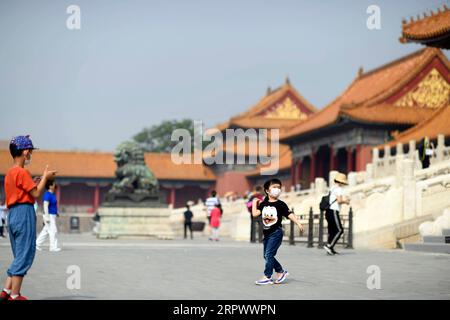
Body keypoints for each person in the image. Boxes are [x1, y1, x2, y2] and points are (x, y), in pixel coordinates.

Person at [0, 135, 57, 301]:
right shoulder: (22, 171)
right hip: (24, 213)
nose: (31, 154)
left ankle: (5, 290)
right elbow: (37, 193)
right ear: (25, 152)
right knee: (25, 255)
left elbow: (22, 189)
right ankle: (15, 295)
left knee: (19, 255)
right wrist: (45, 177)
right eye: (30, 151)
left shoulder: (10, 173)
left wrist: (33, 182)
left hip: (13, 215)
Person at [252, 178, 304, 285]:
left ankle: (267, 276)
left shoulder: (281, 204)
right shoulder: (264, 203)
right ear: (267, 190)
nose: (277, 190)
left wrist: (298, 223)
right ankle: (281, 272)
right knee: (267, 255)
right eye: (274, 187)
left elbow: (289, 214)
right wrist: (254, 203)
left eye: (279, 188)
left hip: (276, 233)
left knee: (269, 254)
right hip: (267, 234)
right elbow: (255, 214)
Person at [323, 172, 350, 256]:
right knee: (339, 230)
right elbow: (339, 201)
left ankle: (330, 249)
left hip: (328, 211)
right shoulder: (339, 189)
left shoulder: (332, 188)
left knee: (332, 230)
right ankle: (329, 245)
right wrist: (346, 201)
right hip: (333, 211)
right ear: (342, 182)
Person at [36, 179, 61, 252]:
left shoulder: (52, 194)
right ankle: (53, 247)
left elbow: (53, 205)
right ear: (50, 186)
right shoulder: (47, 194)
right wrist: (46, 217)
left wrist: (56, 212)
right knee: (53, 230)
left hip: (52, 215)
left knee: (46, 231)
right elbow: (45, 206)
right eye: (53, 184)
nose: (54, 185)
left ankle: (37, 245)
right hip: (48, 215)